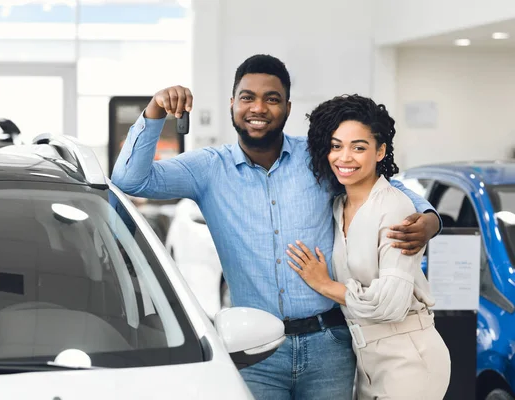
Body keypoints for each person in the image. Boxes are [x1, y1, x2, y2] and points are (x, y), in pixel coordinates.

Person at [111, 54, 442, 400]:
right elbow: (130, 181)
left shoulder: (316, 158)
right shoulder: (208, 169)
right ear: (232, 104)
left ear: (286, 107)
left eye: (272, 98)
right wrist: (153, 113)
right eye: (247, 97)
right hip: (255, 348)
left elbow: (380, 184)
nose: (259, 107)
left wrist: (431, 219)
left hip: (329, 344)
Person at [286, 94, 451, 399]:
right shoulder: (338, 205)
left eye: (358, 147)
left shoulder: (394, 208)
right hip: (367, 362)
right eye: (336, 146)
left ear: (380, 152)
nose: (344, 157)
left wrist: (324, 284)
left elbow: (390, 304)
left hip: (409, 358)